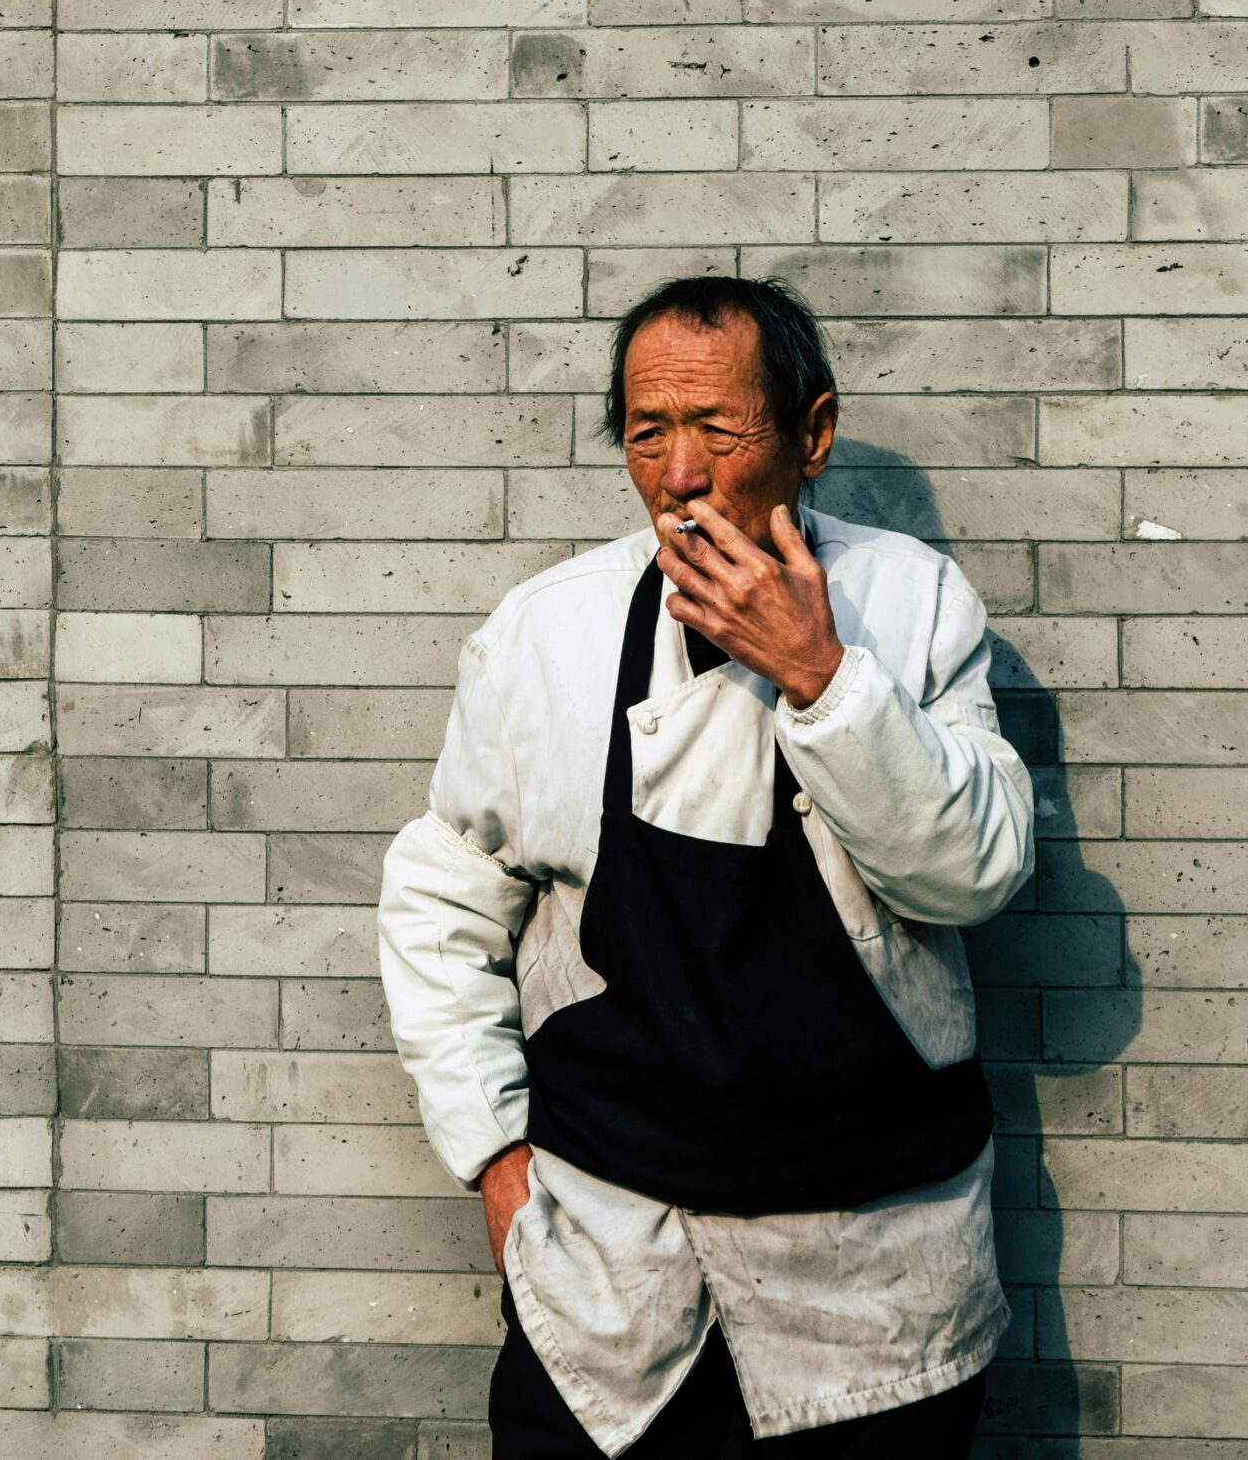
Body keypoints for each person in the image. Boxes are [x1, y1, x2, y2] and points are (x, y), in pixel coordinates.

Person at [375, 276, 1035, 1458]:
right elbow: (443, 895)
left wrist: (823, 678)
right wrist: (493, 1155)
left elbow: (971, 874)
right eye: (646, 432)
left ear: (811, 435)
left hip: (876, 1276)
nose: (678, 473)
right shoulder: (548, 630)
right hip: (614, 1265)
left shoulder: (911, 604)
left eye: (716, 430)